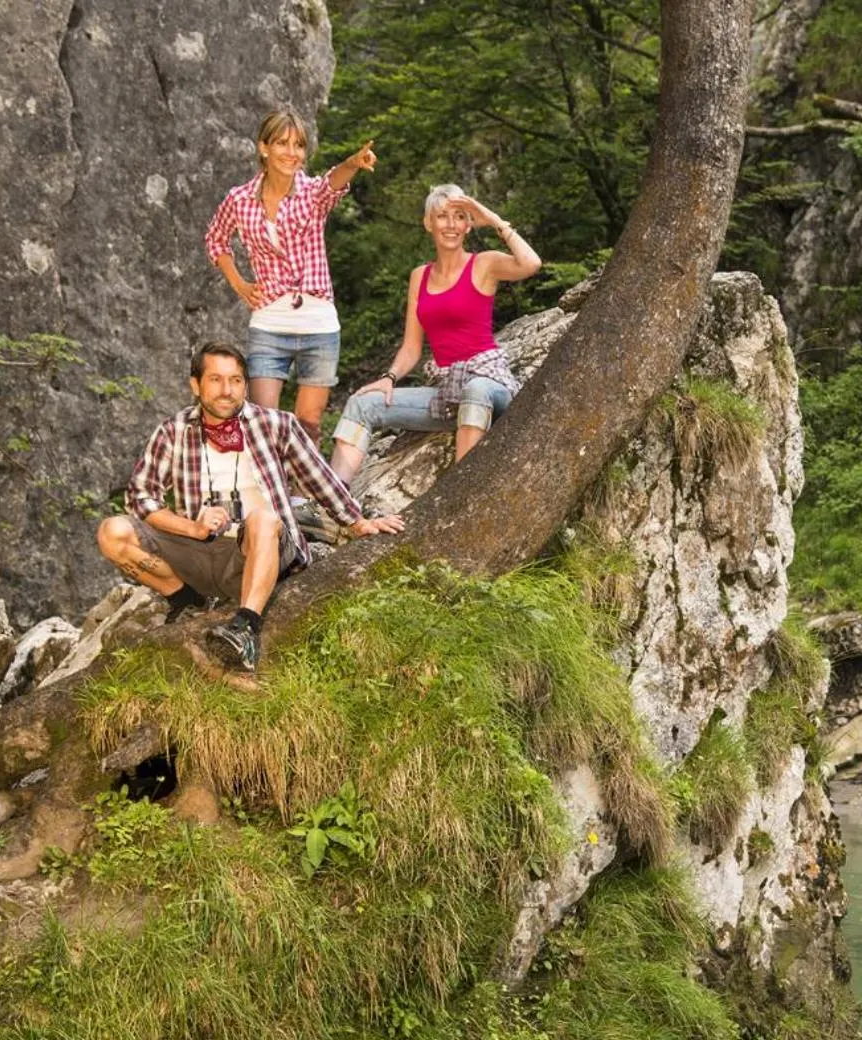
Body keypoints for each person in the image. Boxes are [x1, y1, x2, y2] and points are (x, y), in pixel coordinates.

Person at [96, 341, 405, 673]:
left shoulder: (276, 424)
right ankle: (186, 599)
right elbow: (140, 496)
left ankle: (245, 627)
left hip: (263, 548)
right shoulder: (173, 431)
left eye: (236, 380)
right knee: (112, 532)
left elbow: (319, 478)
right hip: (201, 550)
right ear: (195, 385)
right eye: (215, 380)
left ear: (245, 385)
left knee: (263, 518)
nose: (227, 390)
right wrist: (192, 528)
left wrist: (357, 522)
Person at [329, 184, 541, 480]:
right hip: (446, 392)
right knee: (361, 404)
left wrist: (493, 220)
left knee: (475, 390)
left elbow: (532, 263)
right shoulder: (420, 276)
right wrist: (389, 378)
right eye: (442, 216)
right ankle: (334, 498)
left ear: (469, 225)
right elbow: (411, 347)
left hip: (490, 385)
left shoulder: (484, 264)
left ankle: (461, 491)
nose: (451, 224)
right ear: (429, 223)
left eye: (460, 216)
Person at [204, 109, 376, 444]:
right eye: (282, 143)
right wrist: (239, 283)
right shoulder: (239, 199)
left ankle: (302, 481)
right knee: (262, 422)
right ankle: (270, 478)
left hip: (319, 324)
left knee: (308, 424)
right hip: (269, 322)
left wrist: (353, 163)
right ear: (264, 147)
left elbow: (332, 183)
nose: (291, 152)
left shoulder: (311, 193)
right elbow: (216, 238)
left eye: (298, 145)